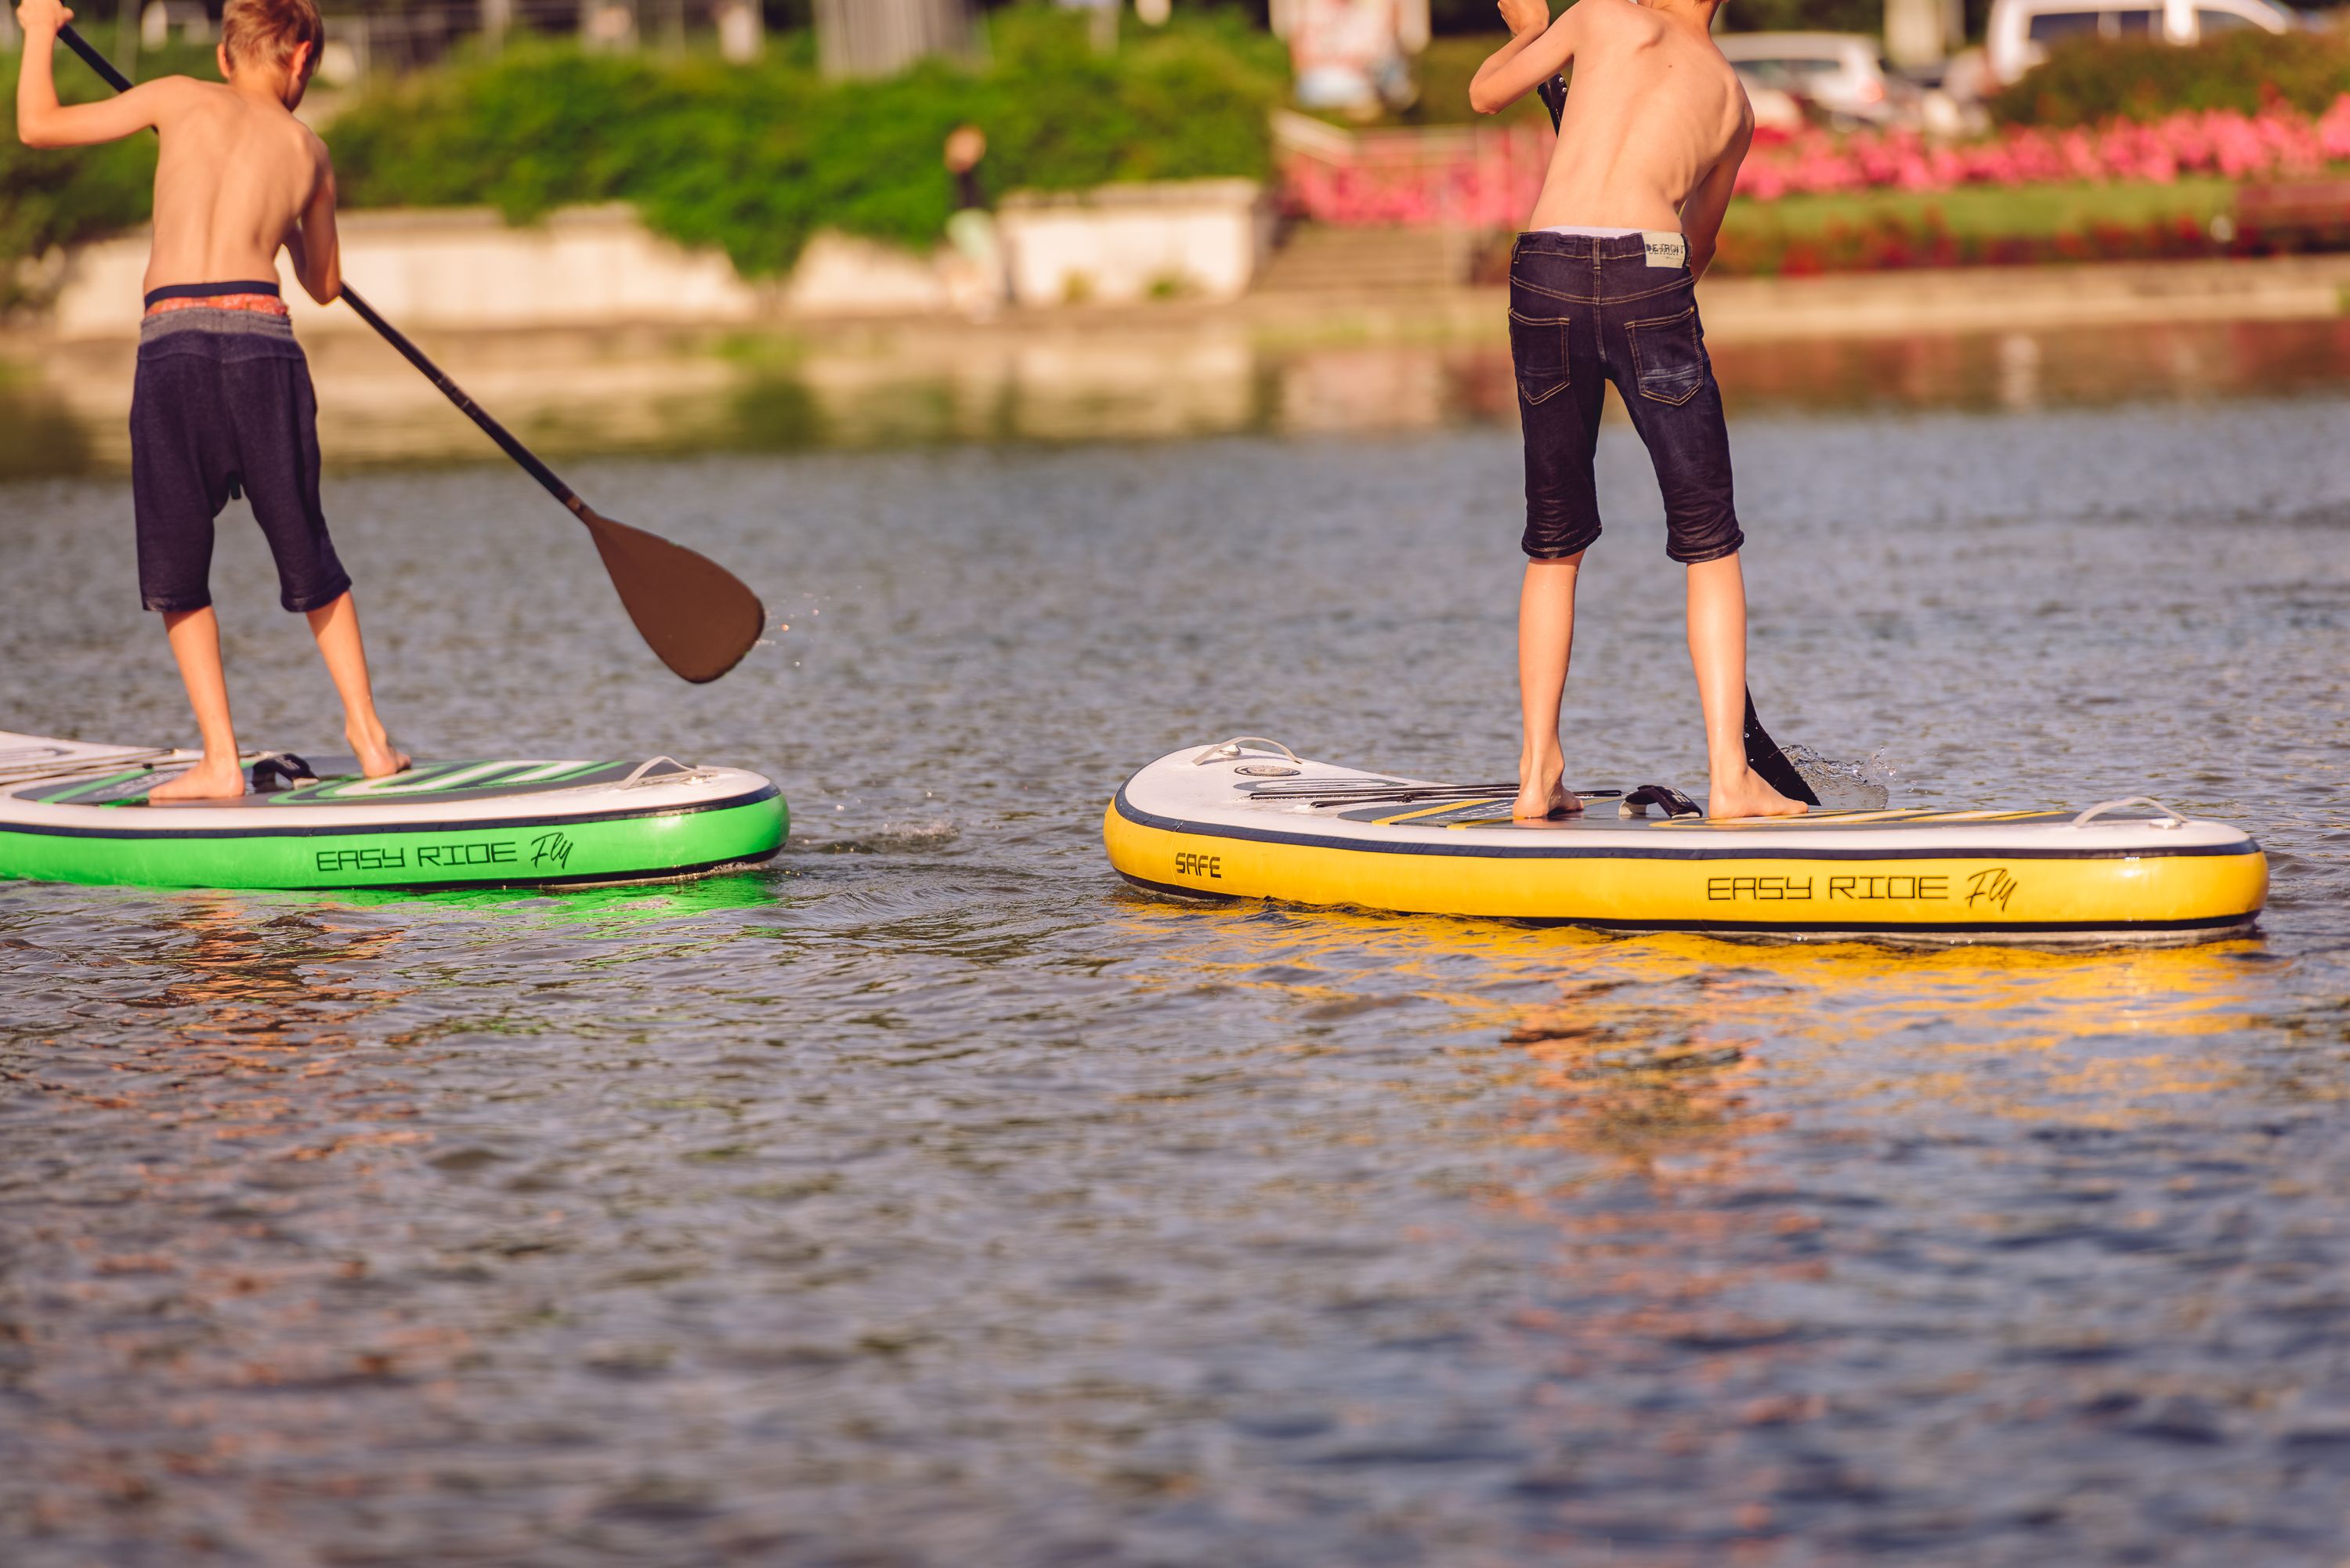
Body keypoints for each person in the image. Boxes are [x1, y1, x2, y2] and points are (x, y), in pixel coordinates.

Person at [15, 0, 406, 801]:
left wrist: (38, 32)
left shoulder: (176, 97)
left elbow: (38, 126)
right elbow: (325, 285)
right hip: (264, 346)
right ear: (302, 59)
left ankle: (220, 760)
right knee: (306, 548)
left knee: (177, 565)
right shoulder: (309, 149)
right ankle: (370, 738)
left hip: (175, 348)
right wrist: (288, 218)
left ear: (225, 58)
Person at [1470, 0, 1803, 821]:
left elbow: (1485, 93)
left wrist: (1528, 32)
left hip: (1543, 269)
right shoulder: (1731, 101)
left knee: (1554, 541)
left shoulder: (1596, 17)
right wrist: (1649, 311)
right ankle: (1730, 776)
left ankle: (1536, 772)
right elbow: (1702, 241)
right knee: (1709, 541)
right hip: (1651, 272)